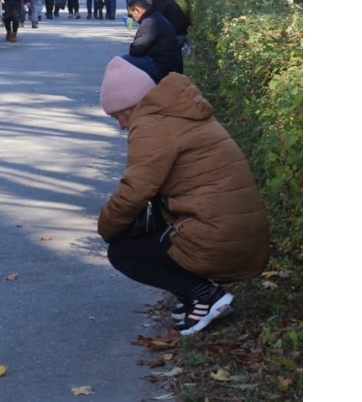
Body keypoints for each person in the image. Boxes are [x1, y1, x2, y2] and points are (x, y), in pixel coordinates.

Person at [97, 56, 269, 335]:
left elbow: (135, 191)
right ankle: (194, 295)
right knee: (152, 230)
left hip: (219, 236)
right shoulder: (178, 112)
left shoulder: (152, 125)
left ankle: (205, 295)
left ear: (129, 105)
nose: (120, 125)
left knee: (122, 252)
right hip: (236, 230)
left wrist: (106, 227)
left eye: (117, 115)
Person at [124, 0, 184, 83]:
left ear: (137, 10)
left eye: (131, 15)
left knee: (124, 61)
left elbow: (137, 48)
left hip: (162, 67)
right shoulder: (155, 16)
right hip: (169, 65)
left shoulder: (149, 22)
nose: (132, 19)